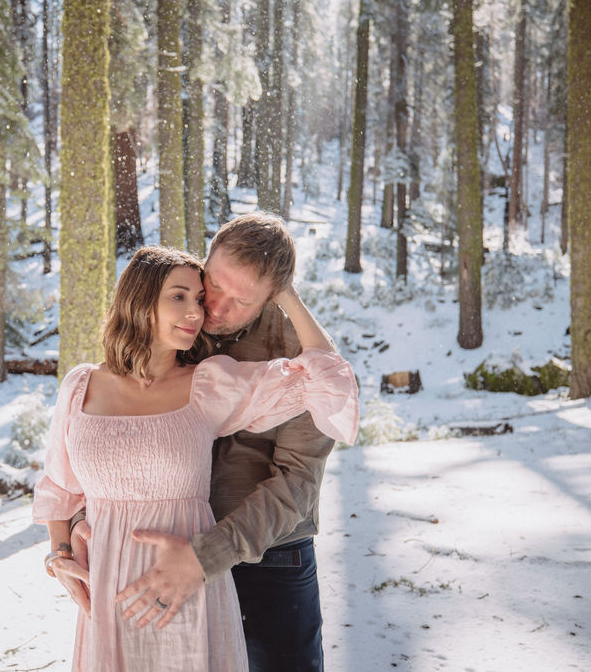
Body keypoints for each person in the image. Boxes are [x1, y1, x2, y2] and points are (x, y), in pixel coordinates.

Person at [33, 244, 358, 672]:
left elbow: (327, 380)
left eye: (198, 300)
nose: (196, 312)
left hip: (193, 586)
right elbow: (60, 487)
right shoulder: (79, 386)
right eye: (179, 296)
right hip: (108, 592)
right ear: (139, 298)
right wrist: (61, 555)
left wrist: (285, 294)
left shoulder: (208, 383)